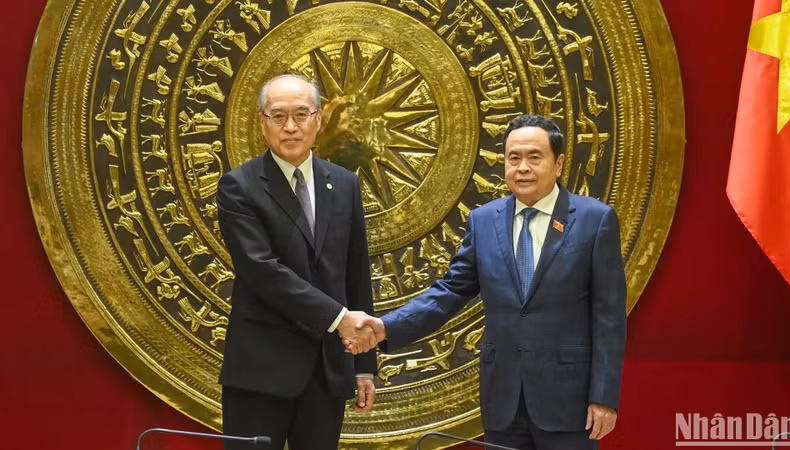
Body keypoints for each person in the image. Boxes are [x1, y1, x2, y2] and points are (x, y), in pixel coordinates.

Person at [347, 115, 627, 449]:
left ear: (559, 163)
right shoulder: (484, 221)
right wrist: (385, 327)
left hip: (569, 401)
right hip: (503, 401)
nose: (522, 167)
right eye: (513, 158)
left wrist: (604, 396)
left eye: (534, 157)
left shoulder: (595, 221)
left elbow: (609, 317)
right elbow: (449, 292)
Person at [216, 74, 378, 450]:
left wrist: (364, 364)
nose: (291, 126)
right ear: (262, 122)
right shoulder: (239, 187)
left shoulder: (344, 184)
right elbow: (262, 271)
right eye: (278, 116)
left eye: (301, 114)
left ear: (318, 119)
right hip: (260, 373)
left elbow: (356, 273)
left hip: (326, 371)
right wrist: (340, 320)